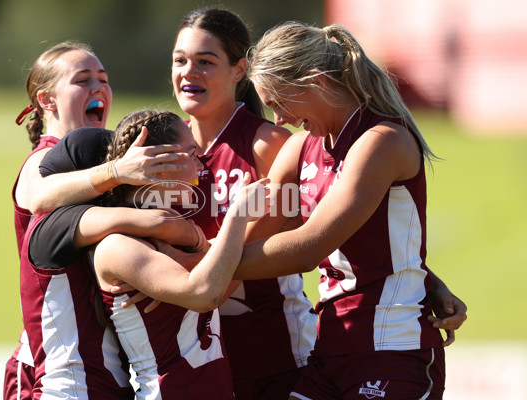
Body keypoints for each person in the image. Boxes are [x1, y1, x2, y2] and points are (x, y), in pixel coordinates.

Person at [231, 21, 466, 399]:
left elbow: (308, 246)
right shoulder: (300, 148)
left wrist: (201, 266)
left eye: (278, 103)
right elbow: (252, 235)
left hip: (392, 352)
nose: (279, 121)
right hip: (330, 352)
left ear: (316, 82)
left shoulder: (381, 142)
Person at [29, 109, 271, 399]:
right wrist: (238, 215)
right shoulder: (117, 245)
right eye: (191, 153)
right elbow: (206, 292)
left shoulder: (169, 228)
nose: (200, 163)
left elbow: (217, 261)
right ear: (159, 164)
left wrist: (194, 238)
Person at [4, 40, 193, 400]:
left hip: (99, 363)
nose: (99, 88)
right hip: (58, 368)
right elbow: (39, 195)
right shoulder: (41, 160)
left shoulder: (92, 158)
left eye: (103, 79)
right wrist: (118, 171)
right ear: (47, 100)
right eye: (83, 80)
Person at [169, 8, 317, 400]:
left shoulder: (269, 145)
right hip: (195, 360)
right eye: (180, 60)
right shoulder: (163, 151)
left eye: (206, 61)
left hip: (275, 357)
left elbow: (335, 223)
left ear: (239, 70)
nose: (189, 72)